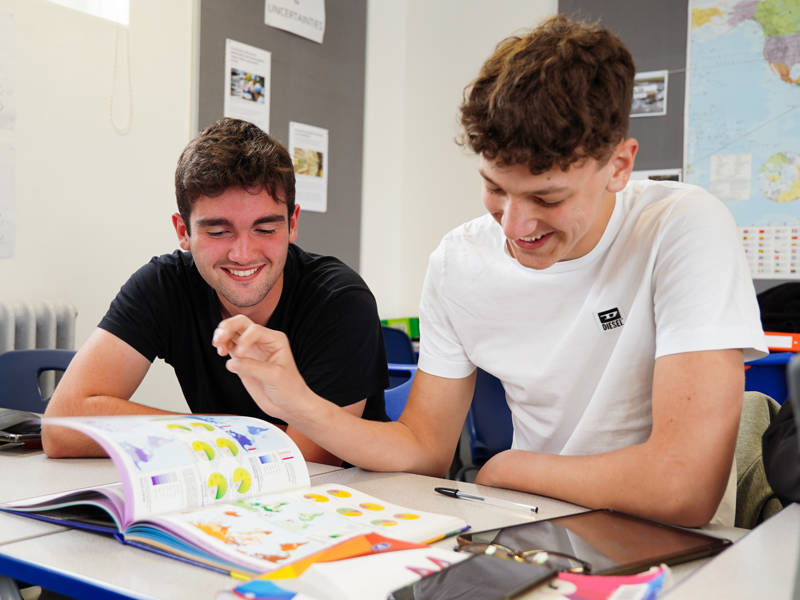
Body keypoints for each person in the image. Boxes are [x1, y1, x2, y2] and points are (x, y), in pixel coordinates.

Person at [210, 15, 766, 526]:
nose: (516, 225)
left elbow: (683, 487)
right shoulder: (459, 262)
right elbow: (424, 447)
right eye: (496, 188)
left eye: (547, 197)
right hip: (531, 524)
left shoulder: (682, 226)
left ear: (618, 165)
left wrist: (509, 468)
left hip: (667, 544)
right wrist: (296, 402)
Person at [42, 118, 388, 465]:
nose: (242, 254)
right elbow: (62, 427)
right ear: (183, 231)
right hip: (227, 495)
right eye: (219, 232)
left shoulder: (339, 300)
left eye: (265, 229)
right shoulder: (164, 284)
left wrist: (200, 437)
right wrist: (220, 431)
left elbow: (306, 460)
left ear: (292, 223)